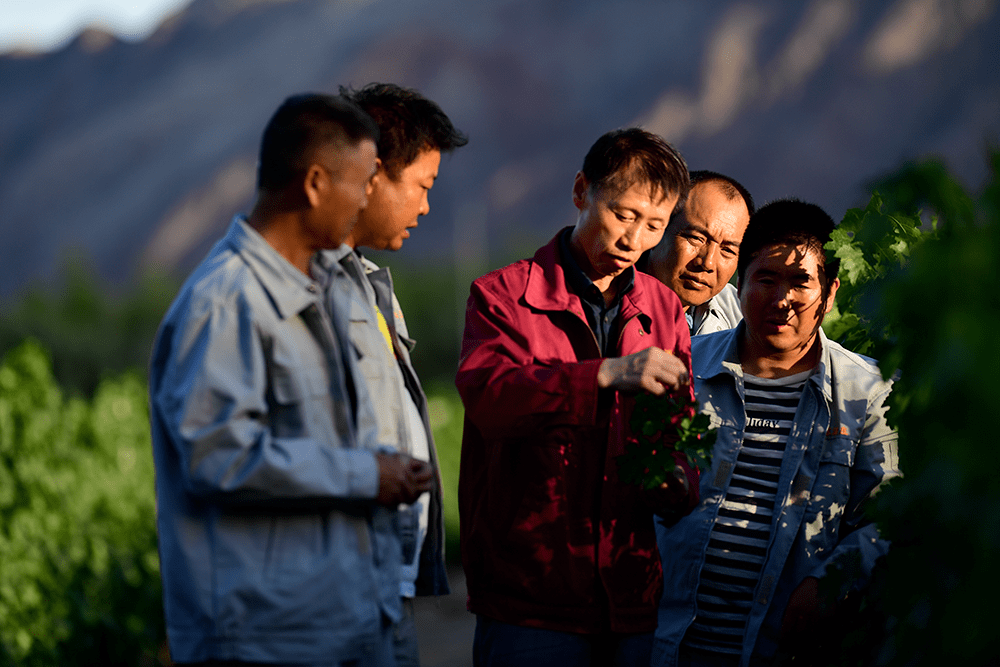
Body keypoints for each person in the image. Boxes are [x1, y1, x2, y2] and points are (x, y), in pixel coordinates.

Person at [149, 93, 434, 666]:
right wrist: (365, 473)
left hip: (338, 620)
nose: (365, 200)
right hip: (263, 636)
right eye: (360, 183)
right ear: (314, 185)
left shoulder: (316, 292)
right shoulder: (228, 302)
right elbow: (218, 456)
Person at [456, 128, 699, 667]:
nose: (634, 239)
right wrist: (603, 375)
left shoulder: (664, 308)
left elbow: (676, 427)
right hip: (530, 596)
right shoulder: (503, 296)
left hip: (631, 591)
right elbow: (489, 398)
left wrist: (678, 480)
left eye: (654, 225)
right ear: (580, 190)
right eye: (623, 214)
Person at [651, 199, 901, 667]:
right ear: (739, 283)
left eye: (801, 281)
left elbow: (886, 515)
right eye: (766, 279)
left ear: (829, 293)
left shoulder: (867, 392)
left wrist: (827, 583)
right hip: (668, 644)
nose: (782, 298)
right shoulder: (681, 365)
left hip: (787, 651)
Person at [334, 81, 468, 666]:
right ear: (372, 174)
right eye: (422, 186)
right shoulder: (304, 292)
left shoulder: (370, 286)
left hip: (387, 579)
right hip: (338, 587)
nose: (426, 206)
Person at [640, 171, 753, 335]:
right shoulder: (602, 297)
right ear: (656, 229)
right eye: (696, 238)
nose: (708, 263)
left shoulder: (742, 315)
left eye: (728, 250)